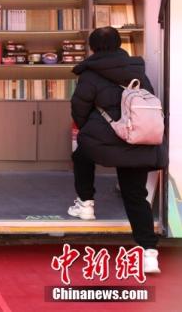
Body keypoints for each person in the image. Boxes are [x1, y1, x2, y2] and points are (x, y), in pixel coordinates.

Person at [70, 26, 167, 274]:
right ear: (119, 45)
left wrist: (90, 129)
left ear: (92, 47)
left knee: (81, 153)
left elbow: (79, 108)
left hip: (104, 138)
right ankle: (149, 253)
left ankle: (86, 204)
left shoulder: (89, 74)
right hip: (137, 139)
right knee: (134, 195)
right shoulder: (137, 70)